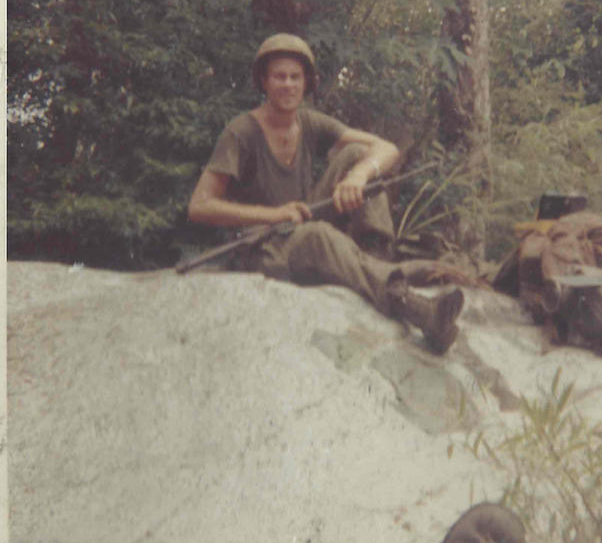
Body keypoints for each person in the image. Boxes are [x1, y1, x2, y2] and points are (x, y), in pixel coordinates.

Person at [187, 33, 464, 354]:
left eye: (295, 77)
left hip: (301, 222)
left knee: (359, 156)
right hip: (262, 244)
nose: (288, 85)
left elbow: (386, 149)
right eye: (279, 76)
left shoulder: (308, 122)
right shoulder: (241, 132)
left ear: (306, 82)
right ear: (263, 81)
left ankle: (375, 259)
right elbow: (199, 206)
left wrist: (358, 176)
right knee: (317, 235)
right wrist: (273, 215)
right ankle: (419, 310)